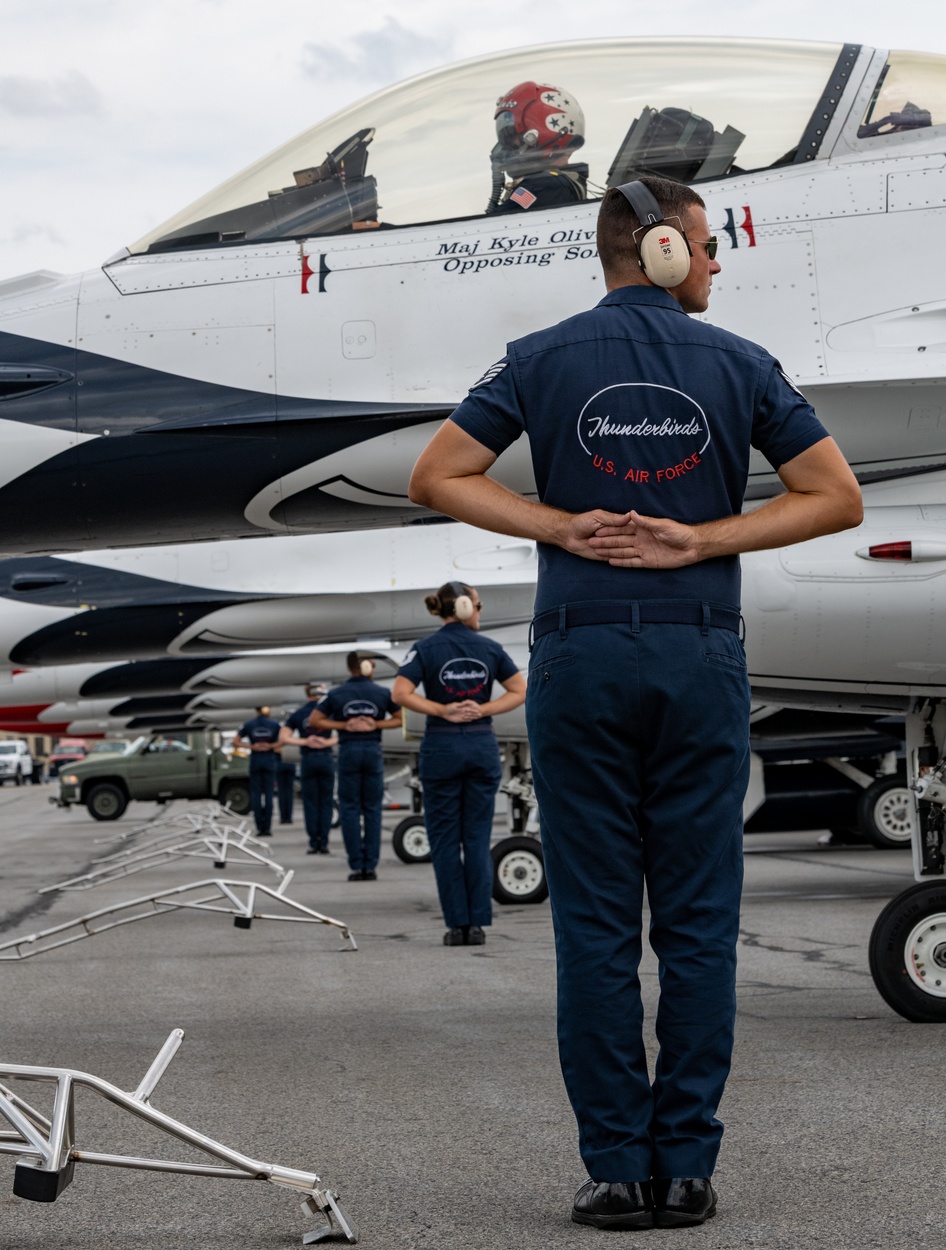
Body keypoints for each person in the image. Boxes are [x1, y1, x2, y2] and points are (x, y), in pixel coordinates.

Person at [406, 176, 862, 1228]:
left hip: (581, 652)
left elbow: (439, 475)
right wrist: (701, 538)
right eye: (705, 245)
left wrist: (557, 526)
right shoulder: (742, 362)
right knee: (700, 924)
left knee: (599, 927)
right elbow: (836, 495)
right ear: (659, 248)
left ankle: (618, 1169)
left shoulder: (538, 358)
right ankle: (687, 1167)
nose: (715, 263)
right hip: (699, 655)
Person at [391, 583, 526, 947]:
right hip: (481, 744)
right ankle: (478, 925)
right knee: (477, 839)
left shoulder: (425, 648)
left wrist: (441, 709)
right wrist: (482, 708)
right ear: (467, 608)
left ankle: (457, 926)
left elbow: (400, 693)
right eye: (479, 606)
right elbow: (519, 690)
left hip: (441, 746)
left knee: (446, 841)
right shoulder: (491, 649)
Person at [309, 655, 401, 881]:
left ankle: (355, 865)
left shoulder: (337, 694)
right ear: (370, 669)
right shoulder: (381, 693)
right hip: (372, 750)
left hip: (349, 750)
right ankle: (370, 866)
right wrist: (375, 723)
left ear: (350, 669)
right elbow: (399, 718)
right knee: (372, 808)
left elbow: (315, 720)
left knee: (349, 809)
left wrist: (344, 724)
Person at [486, 81, 588, 215]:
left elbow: (494, 226)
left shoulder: (546, 185)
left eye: (512, 134)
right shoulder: (554, 182)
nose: (507, 146)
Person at [280, 684, 336, 855]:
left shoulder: (298, 714)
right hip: (326, 758)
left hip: (308, 760)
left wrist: (305, 741)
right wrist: (325, 742)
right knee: (326, 802)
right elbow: (343, 732)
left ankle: (313, 842)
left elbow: (283, 737)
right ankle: (324, 842)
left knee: (310, 803)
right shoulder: (329, 712)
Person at [233, 705, 283, 837]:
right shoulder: (274, 724)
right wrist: (270, 745)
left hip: (255, 760)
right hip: (269, 760)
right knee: (268, 795)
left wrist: (251, 746)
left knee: (256, 795)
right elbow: (283, 740)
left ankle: (259, 828)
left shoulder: (249, 724)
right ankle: (267, 828)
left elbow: (236, 741)